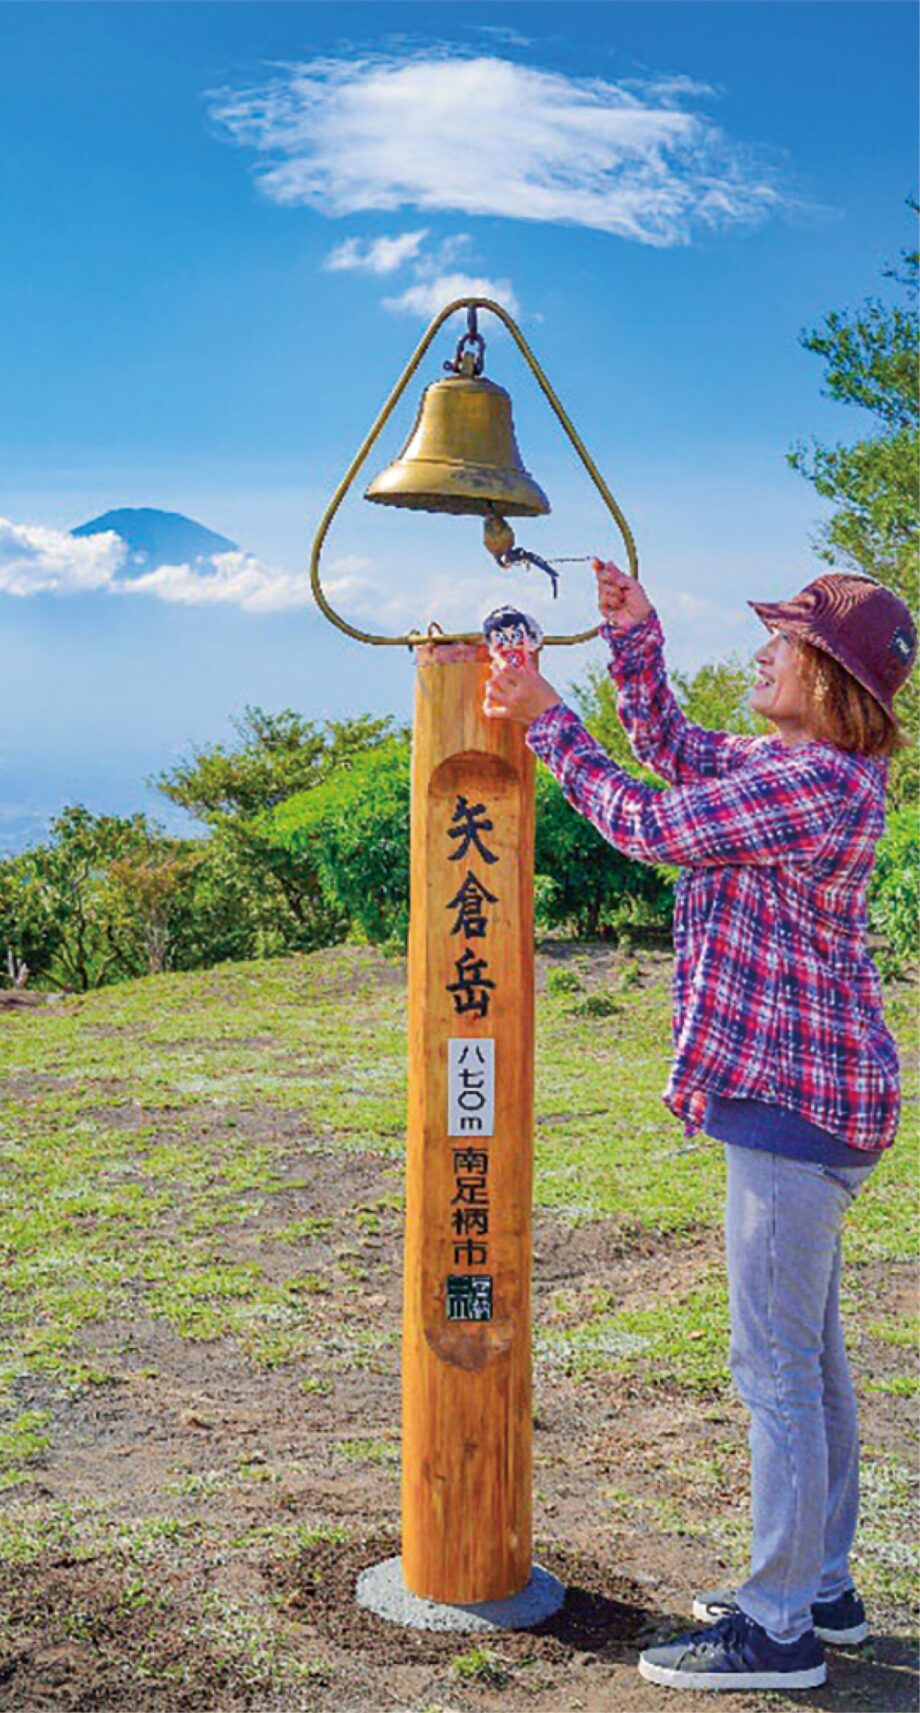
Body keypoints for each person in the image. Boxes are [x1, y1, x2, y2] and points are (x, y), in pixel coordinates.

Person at [483, 562, 916, 1694]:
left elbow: (647, 821)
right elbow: (676, 753)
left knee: (773, 1373)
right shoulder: (793, 767)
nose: (763, 653)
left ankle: (773, 1633)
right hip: (811, 1101)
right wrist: (634, 644)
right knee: (809, 1367)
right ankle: (818, 1589)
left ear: (831, 683)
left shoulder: (813, 785)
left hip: (791, 1104)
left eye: (784, 643)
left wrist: (546, 724)